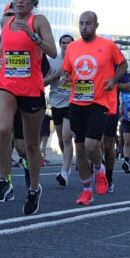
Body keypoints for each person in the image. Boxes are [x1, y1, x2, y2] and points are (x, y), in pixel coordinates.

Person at [0, 0, 57, 216]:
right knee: (3, 130)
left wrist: (33, 36)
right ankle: (4, 180)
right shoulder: (5, 22)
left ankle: (34, 189)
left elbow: (53, 52)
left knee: (29, 145)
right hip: (6, 85)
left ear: (33, 1)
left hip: (31, 88)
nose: (19, 0)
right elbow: (5, 50)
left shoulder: (38, 21)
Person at [61, 11, 126, 206]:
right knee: (80, 148)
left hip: (100, 101)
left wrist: (113, 80)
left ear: (96, 25)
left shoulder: (108, 46)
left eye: (88, 23)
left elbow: (122, 65)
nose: (84, 27)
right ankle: (86, 190)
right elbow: (69, 71)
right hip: (77, 101)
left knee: (91, 145)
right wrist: (66, 77)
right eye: (81, 23)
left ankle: (99, 169)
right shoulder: (72, 47)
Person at [44, 33, 75, 186]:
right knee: (62, 139)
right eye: (63, 43)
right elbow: (42, 82)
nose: (66, 45)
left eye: (69, 43)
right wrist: (56, 75)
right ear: (60, 44)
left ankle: (65, 171)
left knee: (67, 136)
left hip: (72, 102)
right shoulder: (52, 61)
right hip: (56, 103)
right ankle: (66, 162)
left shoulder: (78, 60)